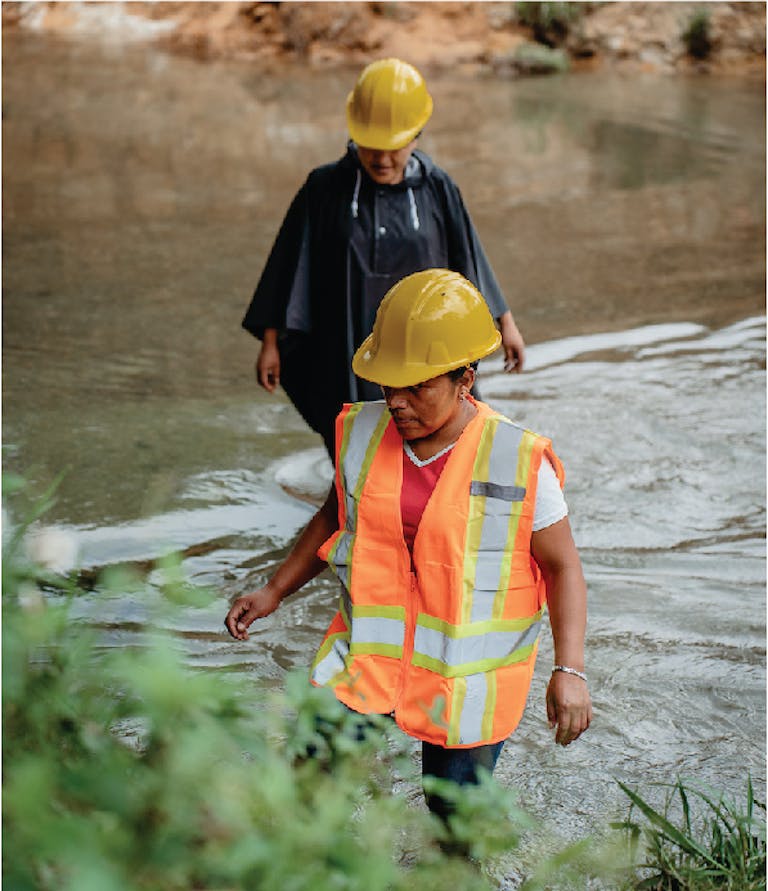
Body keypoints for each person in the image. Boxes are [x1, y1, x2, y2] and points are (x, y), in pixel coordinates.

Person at [226, 268, 592, 829]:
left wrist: (570, 670)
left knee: (452, 815)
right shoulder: (362, 434)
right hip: (367, 656)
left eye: (417, 387)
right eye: (388, 384)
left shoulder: (518, 460)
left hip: (464, 678)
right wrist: (274, 590)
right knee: (311, 777)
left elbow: (563, 568)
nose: (397, 401)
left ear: (465, 379)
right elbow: (334, 515)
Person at [241, 58, 526, 459]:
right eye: (370, 147)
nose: (382, 158)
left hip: (429, 346)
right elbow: (291, 264)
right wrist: (272, 342)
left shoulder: (436, 187)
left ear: (416, 136)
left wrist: (505, 323)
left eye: (394, 147)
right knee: (355, 439)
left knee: (444, 441)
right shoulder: (324, 189)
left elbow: (468, 257)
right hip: (347, 341)